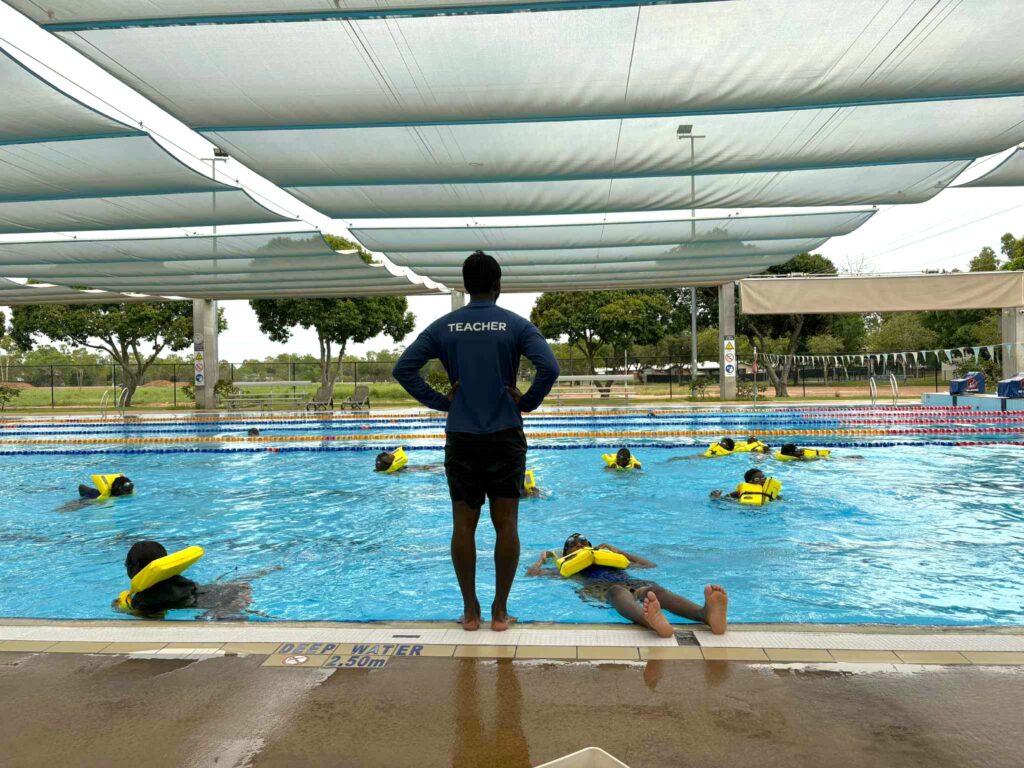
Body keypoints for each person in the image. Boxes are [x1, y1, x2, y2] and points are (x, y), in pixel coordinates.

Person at [393, 251, 559, 632]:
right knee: (507, 525)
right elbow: (549, 367)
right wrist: (528, 402)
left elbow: (403, 369)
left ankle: (470, 613)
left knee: (463, 525)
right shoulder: (516, 325)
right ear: (498, 286)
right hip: (504, 434)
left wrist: (441, 401)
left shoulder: (444, 326)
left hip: (462, 435)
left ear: (465, 287)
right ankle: (500, 613)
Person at [526, 533, 727, 636]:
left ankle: (705, 615)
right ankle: (651, 621)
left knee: (653, 590)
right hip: (598, 587)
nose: (579, 545)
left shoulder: (609, 557)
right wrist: (542, 560)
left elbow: (649, 566)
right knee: (616, 591)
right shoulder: (567, 566)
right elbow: (532, 574)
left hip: (630, 581)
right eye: (573, 544)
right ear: (567, 552)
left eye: (584, 543)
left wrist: (619, 551)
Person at [119, 540, 270, 620]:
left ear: (134, 567)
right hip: (221, 593)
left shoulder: (143, 600)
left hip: (211, 606)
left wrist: (124, 607)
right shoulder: (178, 580)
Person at [710, 468, 782, 502]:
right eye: (757, 479)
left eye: (763, 478)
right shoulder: (738, 493)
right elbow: (723, 499)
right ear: (749, 482)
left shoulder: (772, 494)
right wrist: (716, 497)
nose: (762, 480)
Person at [374, 450, 440, 473]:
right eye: (390, 454)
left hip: (420, 468)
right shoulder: (395, 472)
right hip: (422, 469)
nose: (392, 453)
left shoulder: (380, 463)